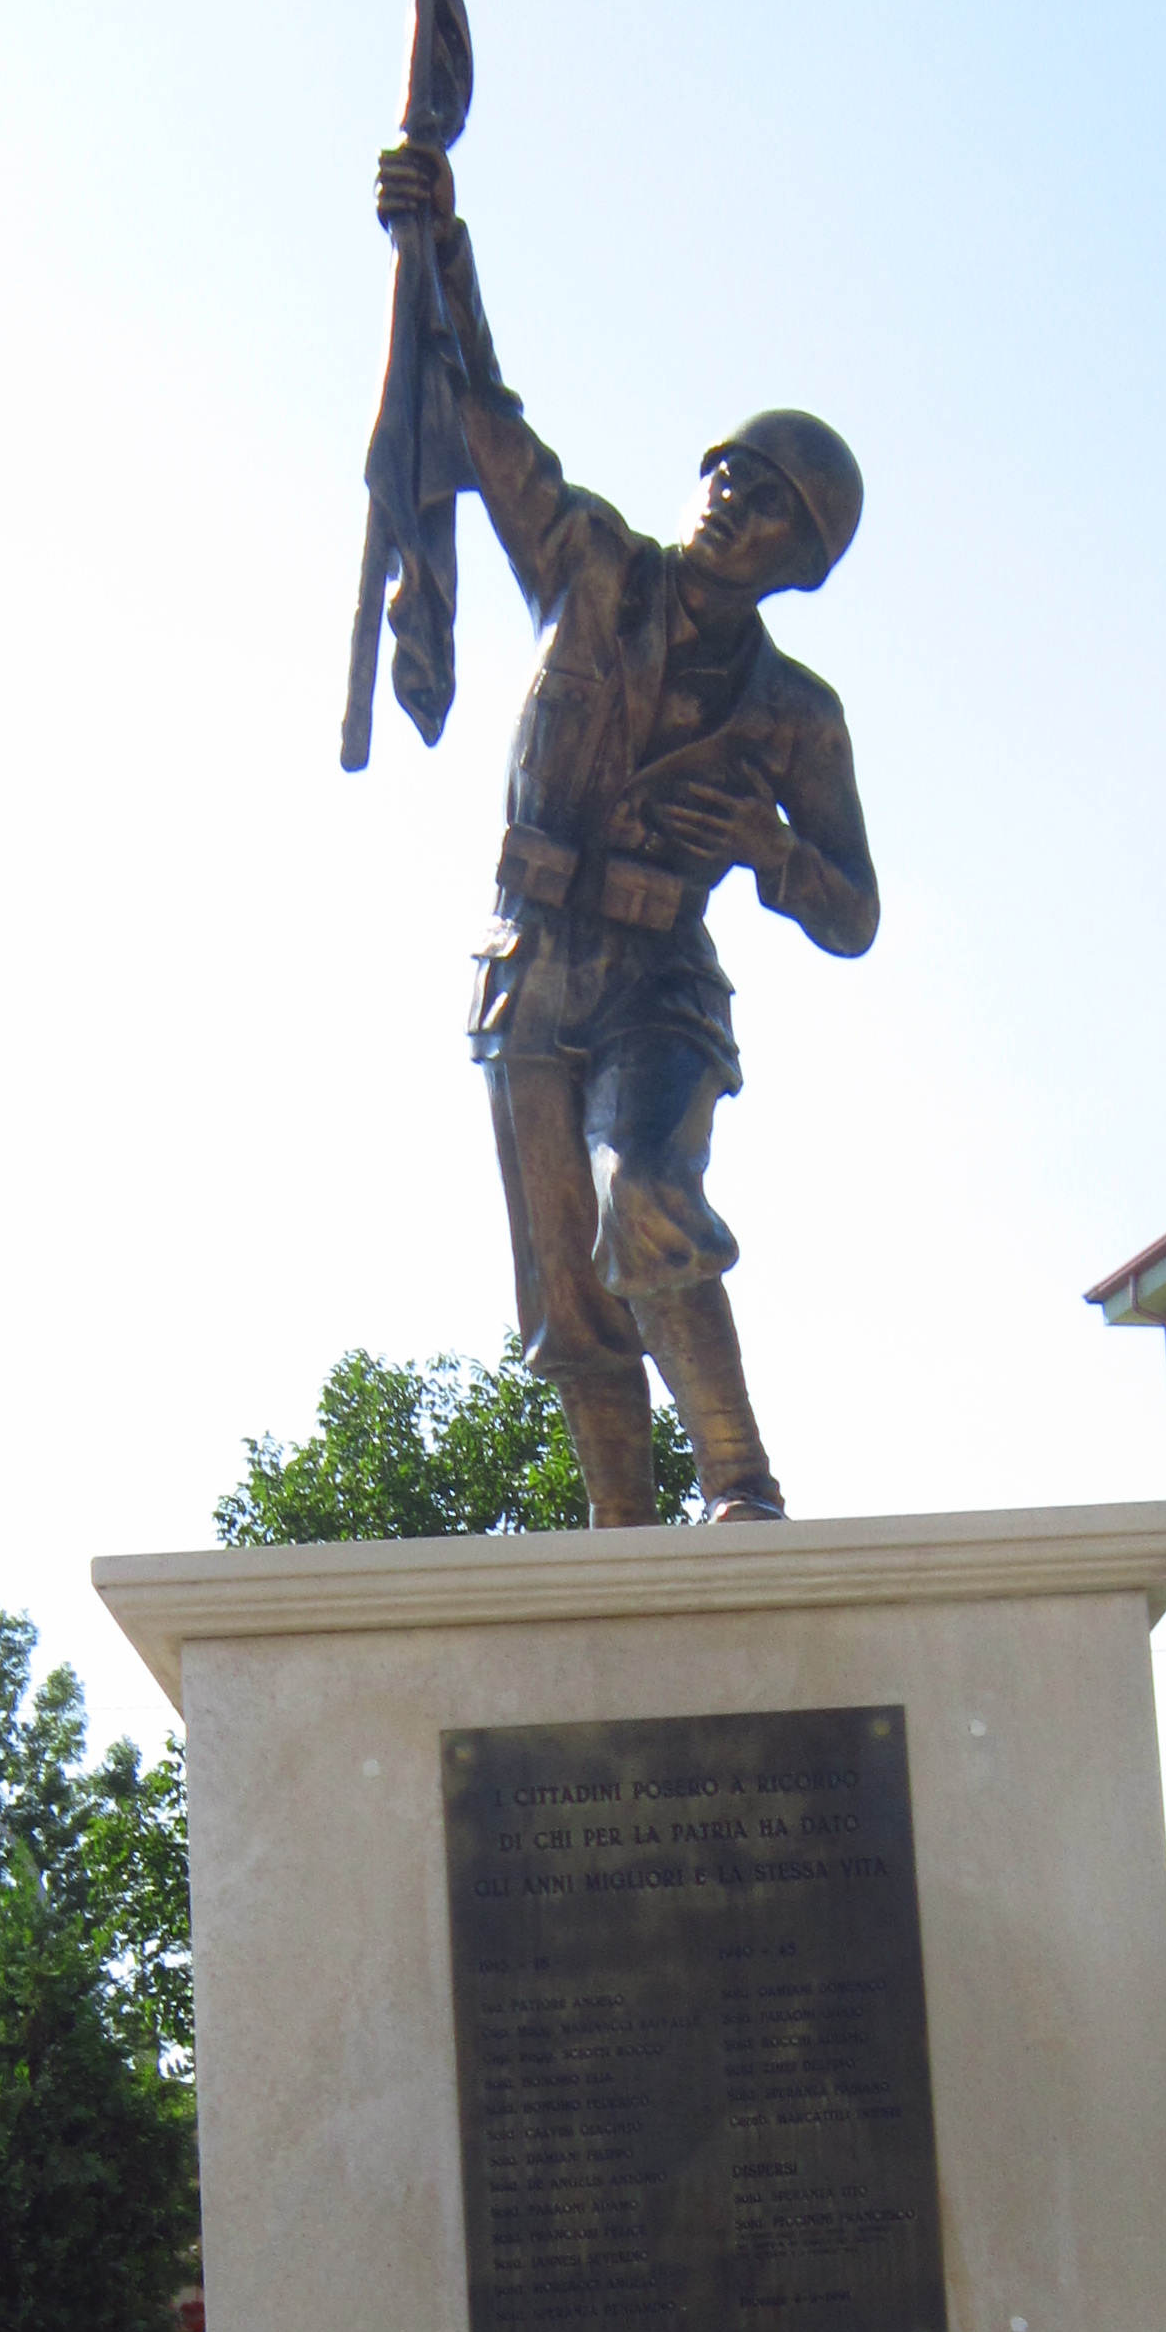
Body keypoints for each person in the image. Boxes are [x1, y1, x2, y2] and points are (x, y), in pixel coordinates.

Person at [375, 139, 879, 1524]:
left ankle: (740, 1484)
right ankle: (619, 1541)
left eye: (776, 503)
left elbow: (854, 914)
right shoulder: (590, 566)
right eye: (732, 473)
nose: (738, 502)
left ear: (804, 560)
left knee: (645, 1195)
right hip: (530, 965)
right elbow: (487, 422)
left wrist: (774, 851)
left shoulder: (794, 714)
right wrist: (441, 249)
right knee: (564, 1292)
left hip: (659, 984)